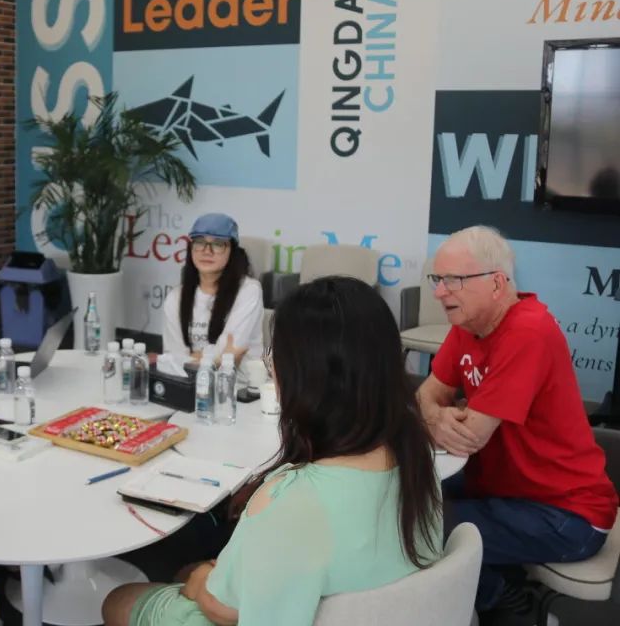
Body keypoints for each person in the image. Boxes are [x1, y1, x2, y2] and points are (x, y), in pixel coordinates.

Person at [105, 276, 442, 626]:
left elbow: (224, 609)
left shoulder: (289, 501)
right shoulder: (417, 460)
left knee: (120, 599)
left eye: (274, 357)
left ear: (301, 375)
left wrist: (202, 579)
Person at [417, 225, 617, 625]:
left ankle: (505, 600)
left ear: (496, 283)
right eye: (438, 279)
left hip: (567, 514)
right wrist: (437, 415)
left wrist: (438, 415)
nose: (439, 292)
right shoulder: (470, 324)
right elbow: (425, 396)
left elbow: (470, 436)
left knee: (419, 526)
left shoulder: (528, 331)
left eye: (453, 280)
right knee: (405, 492)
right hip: (506, 485)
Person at [162, 213, 264, 367]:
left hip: (239, 380)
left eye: (218, 244)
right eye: (199, 242)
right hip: (188, 379)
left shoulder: (249, 291)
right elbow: (173, 357)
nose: (207, 251)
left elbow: (230, 353)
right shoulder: (175, 297)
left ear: (232, 251)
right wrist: (213, 357)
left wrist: (194, 357)